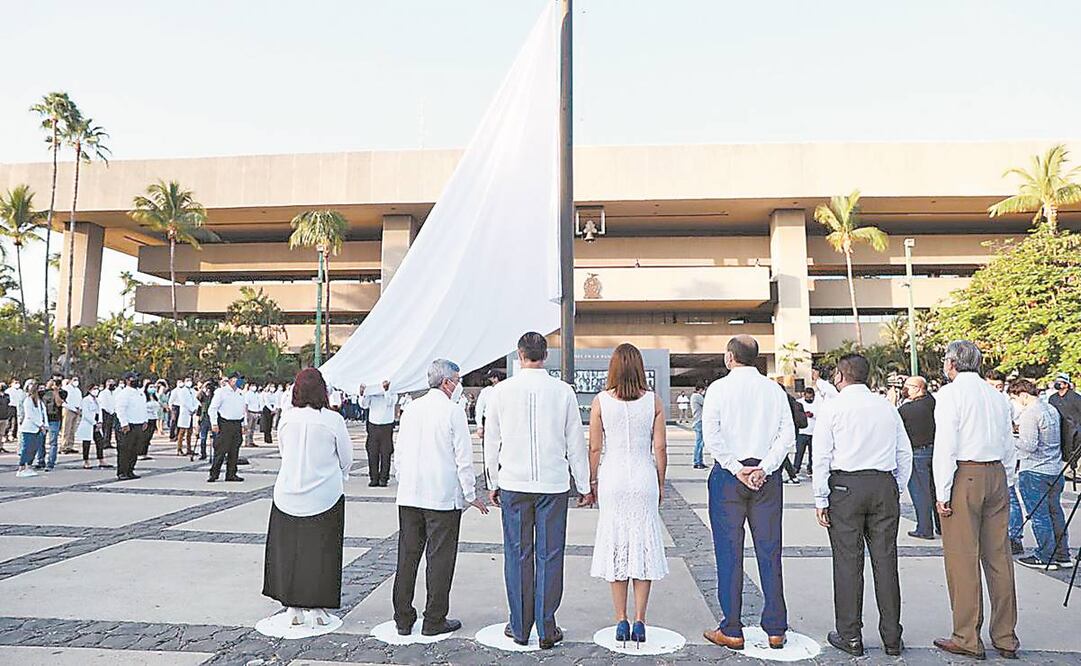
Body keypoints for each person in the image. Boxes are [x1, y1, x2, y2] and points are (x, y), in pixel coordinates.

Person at [483, 332, 593, 650]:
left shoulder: (500, 392)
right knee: (550, 554)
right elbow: (575, 442)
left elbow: (492, 442)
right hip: (553, 483)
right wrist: (584, 486)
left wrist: (492, 481)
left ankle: (519, 625)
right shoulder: (563, 392)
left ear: (520, 355)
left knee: (518, 555)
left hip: (514, 483)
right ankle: (547, 626)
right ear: (545, 355)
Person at [812, 354, 912, 657]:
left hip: (845, 487)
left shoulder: (833, 408)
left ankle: (850, 635)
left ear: (841, 377)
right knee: (885, 562)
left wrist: (820, 497)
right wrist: (897, 487)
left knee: (847, 562)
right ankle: (892, 636)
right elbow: (903, 452)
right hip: (882, 484)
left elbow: (822, 456)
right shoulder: (886, 407)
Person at [701, 335, 792, 651]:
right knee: (770, 551)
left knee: (729, 552)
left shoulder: (718, 389)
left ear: (729, 357)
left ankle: (732, 627)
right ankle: (776, 628)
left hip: (729, 477)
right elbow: (786, 435)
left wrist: (734, 466)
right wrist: (764, 467)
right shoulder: (774, 390)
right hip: (766, 478)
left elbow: (710, 434)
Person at [931, 340, 1019, 660]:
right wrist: (1006, 479)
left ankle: (967, 635)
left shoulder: (950, 395)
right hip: (996, 473)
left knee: (962, 559)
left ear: (953, 364)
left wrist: (942, 492)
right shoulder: (996, 396)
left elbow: (946, 447)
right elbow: (1009, 444)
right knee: (999, 559)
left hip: (965, 475)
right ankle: (1006, 636)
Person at [392, 359, 488, 636]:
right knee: (440, 559)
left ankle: (403, 617)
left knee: (407, 557)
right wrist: (470, 494)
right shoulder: (452, 412)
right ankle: (434, 618)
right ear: (447, 382)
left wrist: (405, 480)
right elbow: (463, 459)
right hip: (441, 497)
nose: (458, 385)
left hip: (410, 494)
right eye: (457, 380)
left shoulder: (411, 409)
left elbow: (399, 452)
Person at [589, 344, 668, 647]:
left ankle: (620, 619)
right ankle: (640, 621)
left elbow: (595, 448)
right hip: (643, 476)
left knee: (617, 545)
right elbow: (659, 448)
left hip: (613, 477)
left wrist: (592, 481)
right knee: (643, 548)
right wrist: (660, 483)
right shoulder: (654, 401)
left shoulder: (600, 402)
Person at [263, 368, 353, 629]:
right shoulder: (333, 420)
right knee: (322, 553)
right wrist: (337, 474)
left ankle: (292, 606)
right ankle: (318, 608)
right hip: (324, 495)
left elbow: (284, 452)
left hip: (287, 494)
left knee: (288, 553)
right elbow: (346, 458)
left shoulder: (287, 419)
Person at [1008, 379, 1071, 569]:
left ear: (1023, 395)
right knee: (1055, 512)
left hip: (1035, 470)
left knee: (1039, 515)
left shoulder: (1030, 413)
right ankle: (1062, 554)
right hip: (1054, 468)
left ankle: (1044, 555)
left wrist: (1011, 438)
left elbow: (1029, 445)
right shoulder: (1050, 409)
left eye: (1015, 398)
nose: (1016, 403)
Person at [899, 376, 940, 540]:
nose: (904, 388)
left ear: (917, 388)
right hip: (933, 450)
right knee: (935, 490)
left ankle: (924, 527)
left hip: (917, 453)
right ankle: (941, 525)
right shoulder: (933, 403)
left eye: (906, 386)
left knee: (920, 492)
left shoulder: (908, 409)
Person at [209, 373, 247, 482]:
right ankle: (214, 473)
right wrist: (214, 423)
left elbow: (243, 410)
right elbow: (213, 408)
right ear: (231, 380)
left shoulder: (240, 393)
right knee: (221, 450)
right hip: (225, 423)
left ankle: (231, 474)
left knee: (234, 450)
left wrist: (244, 424)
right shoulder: (222, 392)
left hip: (237, 423)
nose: (239, 382)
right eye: (237, 379)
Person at [361, 380, 398, 487]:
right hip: (373, 425)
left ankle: (383, 478)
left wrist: (386, 390)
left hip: (386, 425)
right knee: (372, 453)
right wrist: (363, 393)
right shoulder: (372, 391)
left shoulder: (393, 390)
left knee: (386, 453)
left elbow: (390, 402)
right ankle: (374, 478)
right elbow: (364, 405)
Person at [114, 372, 148, 480]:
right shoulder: (124, 393)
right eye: (134, 378)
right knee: (125, 449)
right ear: (128, 380)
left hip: (138, 424)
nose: (136, 380)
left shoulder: (140, 393)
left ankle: (130, 470)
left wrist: (145, 420)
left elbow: (143, 408)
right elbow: (120, 409)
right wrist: (124, 423)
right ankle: (122, 472)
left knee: (134, 449)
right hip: (128, 425)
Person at [1048, 373, 1081, 479]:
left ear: (1066, 384)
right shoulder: (1053, 398)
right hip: (1060, 428)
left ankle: (1074, 471)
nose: (1058, 384)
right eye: (1056, 382)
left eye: (1060, 382)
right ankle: (1065, 471)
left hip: (1076, 428)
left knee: (1075, 450)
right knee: (1063, 451)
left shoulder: (1076, 398)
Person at [16, 380, 46, 478]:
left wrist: (45, 425)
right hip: (29, 428)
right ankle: (21, 468)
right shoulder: (28, 401)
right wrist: (40, 424)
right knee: (27, 448)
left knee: (34, 448)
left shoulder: (39, 402)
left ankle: (28, 466)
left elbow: (42, 414)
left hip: (37, 429)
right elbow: (30, 415)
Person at [77, 385, 108, 469]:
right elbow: (86, 414)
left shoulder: (98, 400)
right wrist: (94, 423)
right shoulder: (86, 400)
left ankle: (101, 459)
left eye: (97, 389)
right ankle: (86, 461)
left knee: (99, 441)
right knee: (86, 443)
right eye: (94, 389)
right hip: (89, 423)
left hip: (97, 422)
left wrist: (100, 422)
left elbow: (100, 412)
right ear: (89, 390)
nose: (96, 390)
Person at [36, 379, 64, 471]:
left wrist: (55, 391)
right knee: (40, 441)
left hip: (54, 419)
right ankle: (40, 460)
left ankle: (51, 462)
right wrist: (47, 388)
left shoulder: (62, 392)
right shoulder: (42, 393)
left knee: (53, 442)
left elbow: (59, 403)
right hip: (43, 419)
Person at [474, 369, 504, 438]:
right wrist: (480, 426)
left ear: (495, 378)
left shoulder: (505, 390)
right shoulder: (486, 391)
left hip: (501, 422)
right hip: (490, 421)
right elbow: (479, 409)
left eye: (490, 377)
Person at [793, 387, 816, 476]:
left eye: (810, 398)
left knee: (812, 453)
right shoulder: (799, 403)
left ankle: (811, 468)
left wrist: (813, 415)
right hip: (802, 432)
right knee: (799, 452)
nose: (809, 399)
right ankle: (796, 468)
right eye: (807, 398)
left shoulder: (818, 403)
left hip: (813, 432)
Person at [60, 376, 81, 454]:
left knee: (73, 429)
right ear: (70, 380)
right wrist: (74, 409)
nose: (76, 381)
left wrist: (79, 409)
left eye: (77, 380)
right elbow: (65, 402)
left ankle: (70, 445)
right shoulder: (67, 388)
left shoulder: (78, 390)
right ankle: (64, 446)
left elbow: (79, 400)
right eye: (74, 380)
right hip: (68, 409)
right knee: (66, 428)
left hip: (76, 410)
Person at [197, 381, 216, 461]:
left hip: (212, 418)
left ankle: (216, 453)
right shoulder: (203, 396)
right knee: (203, 437)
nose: (208, 391)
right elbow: (198, 397)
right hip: (204, 418)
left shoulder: (215, 397)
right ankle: (203, 453)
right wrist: (202, 387)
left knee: (215, 437)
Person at [142, 383, 162, 460]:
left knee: (149, 436)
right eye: (150, 387)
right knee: (144, 436)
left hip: (154, 418)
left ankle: (145, 452)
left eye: (154, 387)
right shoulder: (144, 397)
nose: (153, 388)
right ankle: (141, 452)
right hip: (146, 419)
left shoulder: (155, 397)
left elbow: (158, 406)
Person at [691, 382, 707, 469]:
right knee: (700, 443)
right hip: (700, 421)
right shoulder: (697, 396)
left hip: (697, 421)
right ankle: (697, 461)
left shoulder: (694, 396)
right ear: (700, 389)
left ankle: (699, 461)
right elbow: (706, 404)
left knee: (699, 442)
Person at [99, 379, 118, 449]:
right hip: (105, 412)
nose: (113, 386)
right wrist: (109, 411)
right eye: (111, 384)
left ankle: (108, 442)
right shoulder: (103, 393)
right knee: (105, 428)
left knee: (110, 428)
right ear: (107, 384)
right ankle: (104, 442)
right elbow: (103, 404)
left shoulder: (113, 393)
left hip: (112, 412)